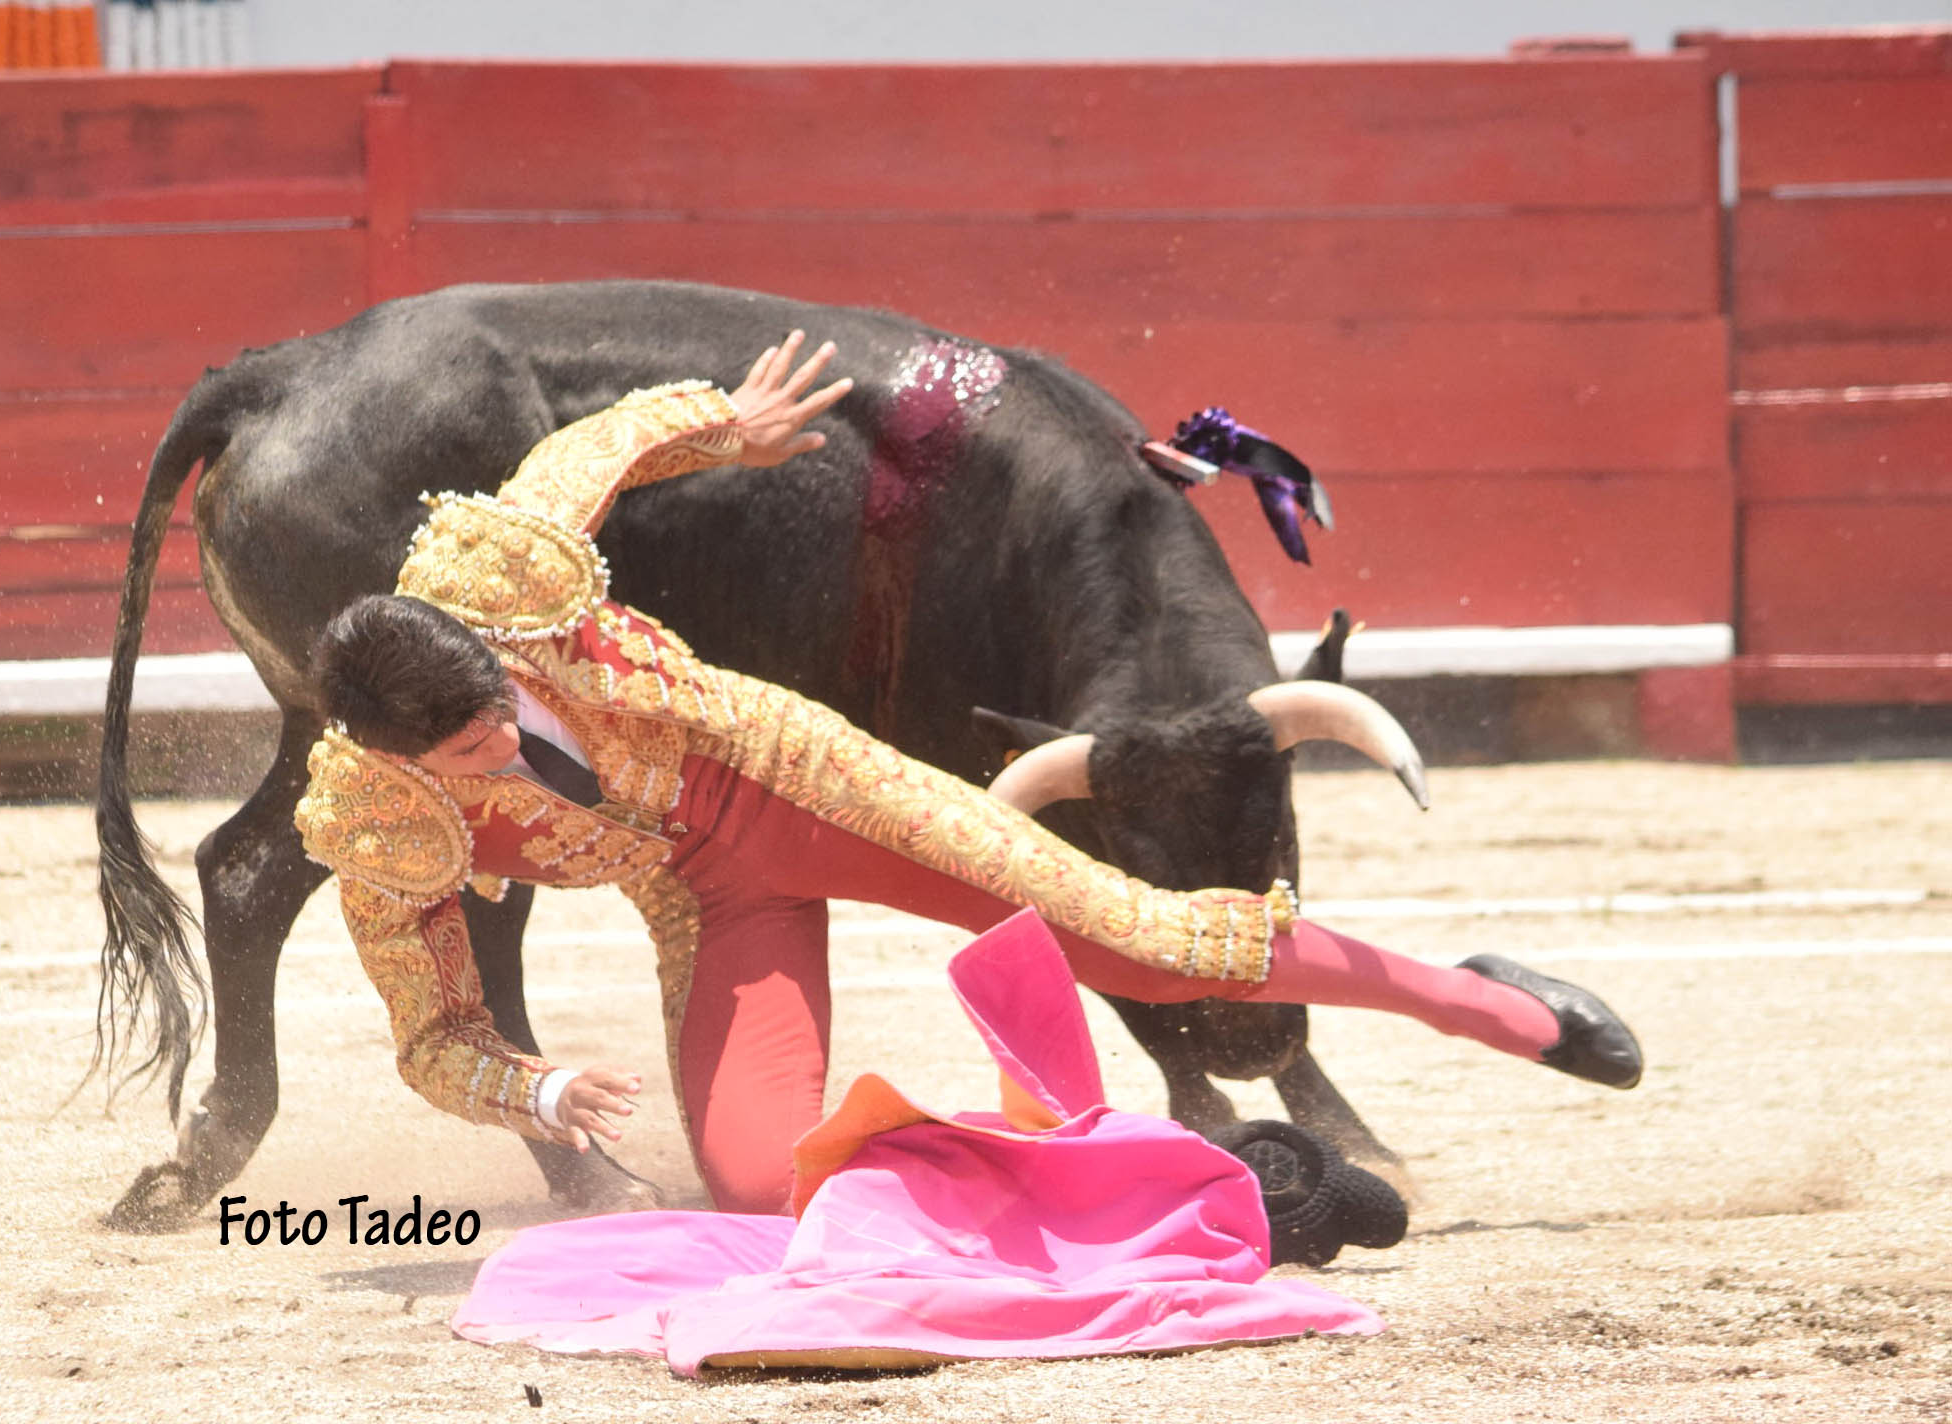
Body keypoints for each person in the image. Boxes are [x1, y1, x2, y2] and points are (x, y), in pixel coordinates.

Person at [293, 332, 1642, 1215]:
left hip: (803, 783)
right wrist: (531, 1091)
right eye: (470, 751)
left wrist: (727, 421)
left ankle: (1483, 1003)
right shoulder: (377, 825)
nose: (503, 744)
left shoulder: (500, 582)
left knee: (1142, 942)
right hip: (708, 903)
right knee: (762, 1185)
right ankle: (1153, 1185)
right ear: (394, 756)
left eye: (498, 710)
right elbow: (434, 1038)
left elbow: (584, 454)